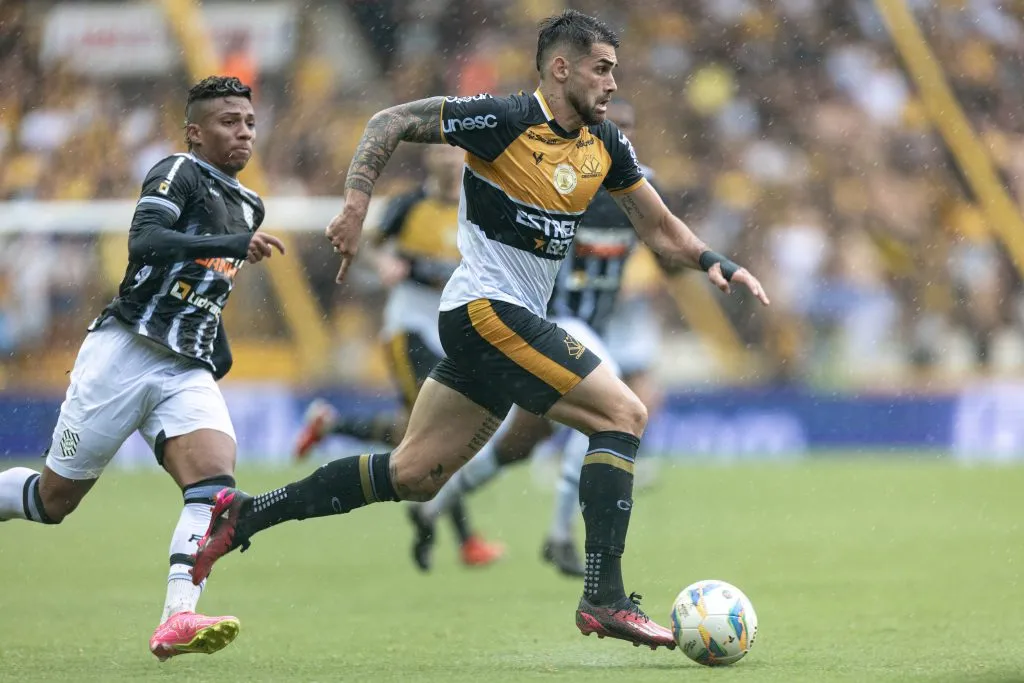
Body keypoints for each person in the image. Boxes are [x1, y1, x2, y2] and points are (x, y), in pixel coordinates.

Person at [191, 11, 769, 651]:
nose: (611, 83)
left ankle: (243, 515)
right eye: (601, 69)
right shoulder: (503, 119)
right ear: (560, 68)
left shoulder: (606, 144)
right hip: (486, 310)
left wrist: (716, 261)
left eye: (614, 70)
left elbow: (659, 229)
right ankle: (603, 598)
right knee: (623, 414)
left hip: (496, 323)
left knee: (414, 474)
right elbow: (389, 122)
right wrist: (356, 204)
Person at [0, 76, 285, 661]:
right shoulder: (176, 171)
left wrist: (216, 346)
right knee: (54, 502)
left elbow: (206, 286)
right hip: (125, 352)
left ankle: (178, 618)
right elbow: (146, 241)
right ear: (195, 132)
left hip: (185, 368)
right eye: (229, 121)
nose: (243, 132)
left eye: (249, 122)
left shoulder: (251, 204)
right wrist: (234, 243)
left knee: (215, 487)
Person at [405, 98, 658, 578]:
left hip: (588, 328)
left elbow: (663, 242)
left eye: (627, 129)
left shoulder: (637, 194)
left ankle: (431, 509)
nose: (617, 138)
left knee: (513, 449)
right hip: (549, 322)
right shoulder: (570, 188)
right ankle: (560, 535)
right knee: (613, 409)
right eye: (611, 127)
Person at [293, 144, 503, 568]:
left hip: (456, 330)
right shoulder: (408, 205)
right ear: (428, 158)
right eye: (440, 151)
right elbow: (365, 245)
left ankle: (332, 423)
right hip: (411, 330)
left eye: (455, 151)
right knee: (438, 431)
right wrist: (383, 262)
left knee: (412, 434)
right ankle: (461, 537)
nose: (448, 158)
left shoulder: (478, 202)